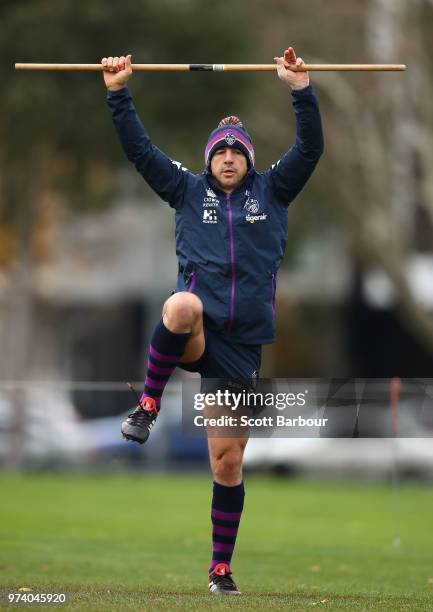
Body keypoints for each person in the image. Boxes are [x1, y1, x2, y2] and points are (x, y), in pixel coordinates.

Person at [102, 47, 324, 595]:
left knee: (227, 461)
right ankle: (148, 404)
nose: (227, 157)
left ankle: (220, 569)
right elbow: (139, 151)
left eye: (236, 151)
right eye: (219, 151)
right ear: (209, 160)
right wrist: (118, 93)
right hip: (198, 333)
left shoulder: (273, 192)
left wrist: (301, 89)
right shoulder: (186, 190)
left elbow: (311, 147)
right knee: (181, 305)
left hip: (243, 346)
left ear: (249, 160)